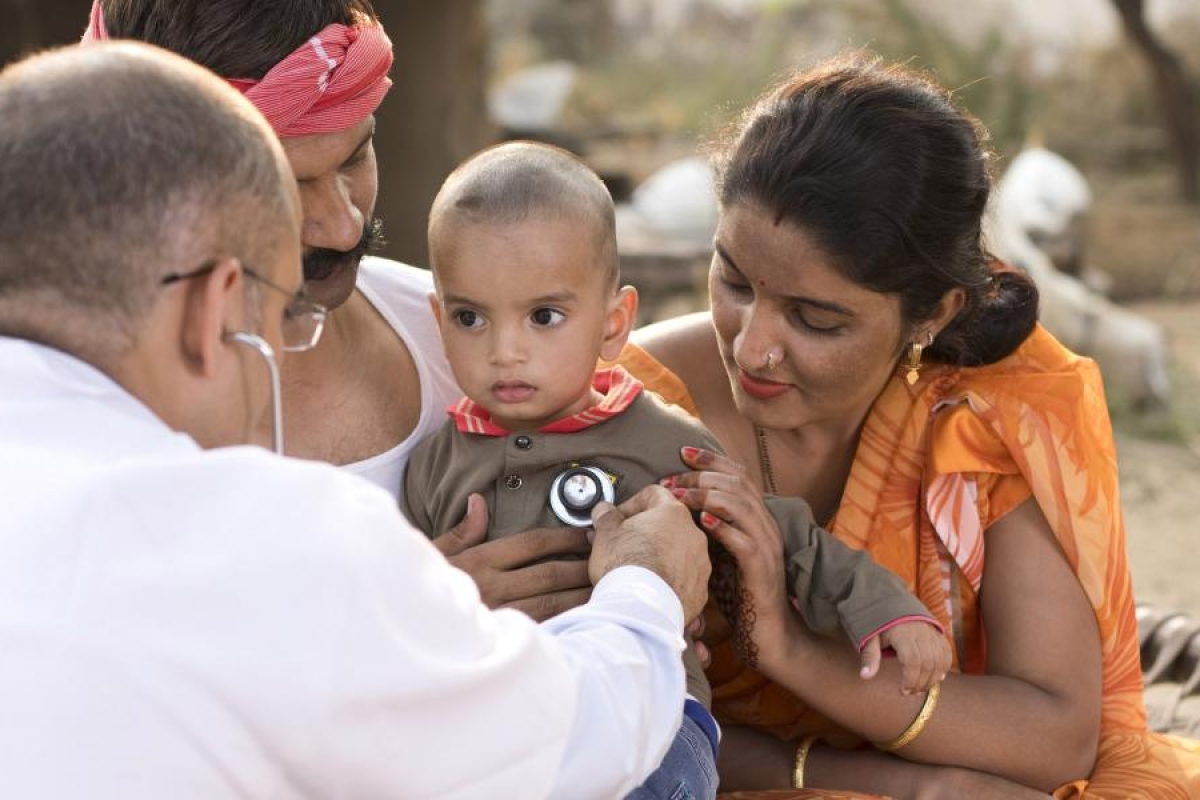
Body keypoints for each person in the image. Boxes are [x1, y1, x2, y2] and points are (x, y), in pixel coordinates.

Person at [0, 41, 715, 799]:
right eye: (282, 316)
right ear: (210, 312)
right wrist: (645, 587)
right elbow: (571, 746)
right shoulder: (277, 537)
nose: (341, 226)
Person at [612, 53, 1200, 798]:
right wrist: (896, 787)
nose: (753, 345)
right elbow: (600, 722)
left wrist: (794, 652)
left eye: (816, 319)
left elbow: (1056, 735)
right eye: (732, 281)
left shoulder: (985, 414)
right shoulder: (629, 408)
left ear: (935, 313)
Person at [403, 141, 954, 797]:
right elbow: (398, 606)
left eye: (544, 317)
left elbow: (778, 529)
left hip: (654, 736)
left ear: (613, 326)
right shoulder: (433, 463)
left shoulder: (663, 443)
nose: (506, 352)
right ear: (439, 320)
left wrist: (885, 611)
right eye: (470, 318)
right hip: (501, 732)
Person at [83, 0, 598, 623]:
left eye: (355, 157)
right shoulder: (76, 410)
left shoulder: (465, 335)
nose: (344, 222)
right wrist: (413, 625)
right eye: (291, 186)